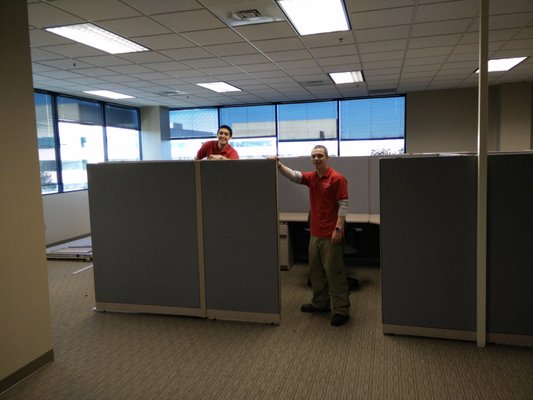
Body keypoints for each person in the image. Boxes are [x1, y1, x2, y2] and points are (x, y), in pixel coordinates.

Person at [274, 145, 350, 326]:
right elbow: (294, 176)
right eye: (314, 156)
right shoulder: (312, 178)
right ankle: (320, 303)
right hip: (315, 234)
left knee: (334, 273)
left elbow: (343, 205)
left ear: (327, 157)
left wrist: (338, 230)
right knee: (315, 272)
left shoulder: (337, 179)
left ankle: (341, 309)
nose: (316, 159)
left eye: (320, 156)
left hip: (331, 234)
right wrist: (279, 165)